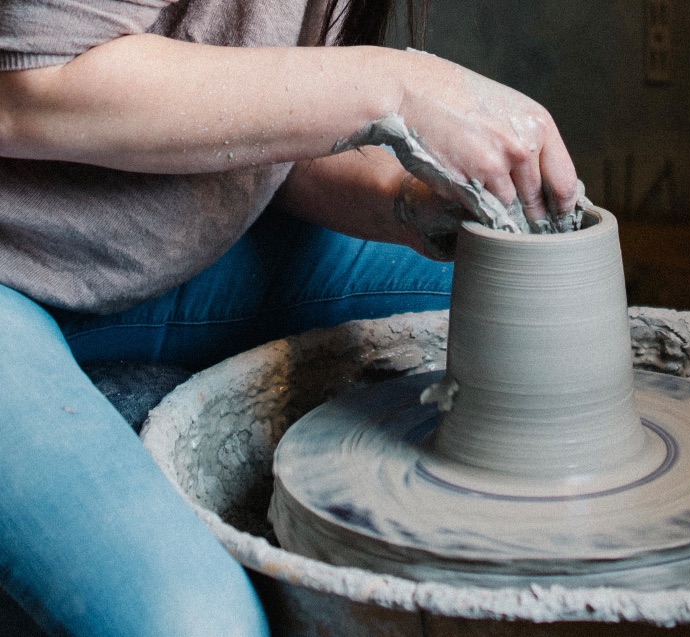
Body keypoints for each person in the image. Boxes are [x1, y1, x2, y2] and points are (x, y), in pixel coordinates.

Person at [0, 0, 578, 634]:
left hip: (153, 252)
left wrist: (405, 199)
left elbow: (266, 124)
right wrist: (399, 87)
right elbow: (30, 88)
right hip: (12, 269)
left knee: (506, 300)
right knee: (195, 624)